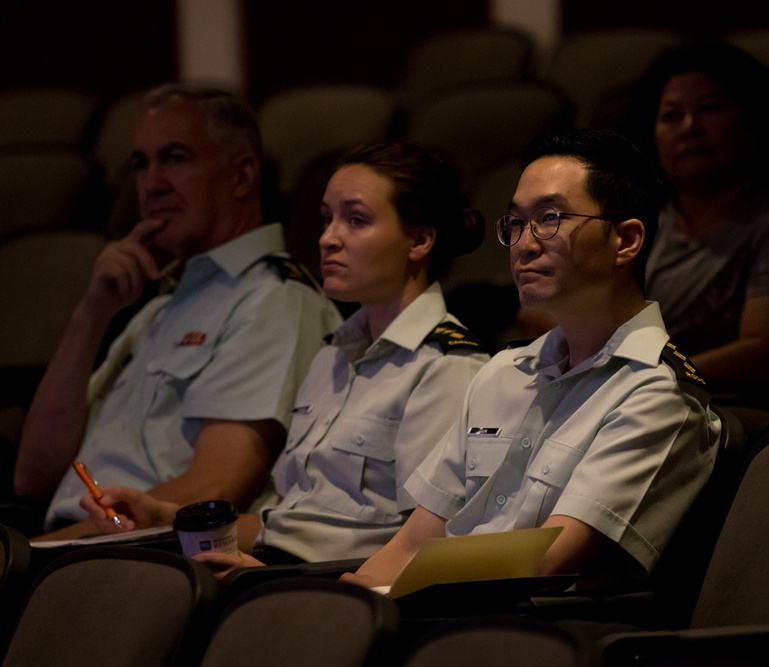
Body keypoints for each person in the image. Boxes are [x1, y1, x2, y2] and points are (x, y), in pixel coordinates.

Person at [342, 129, 721, 590]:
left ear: (626, 240)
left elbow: (546, 561)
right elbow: (411, 543)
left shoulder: (658, 394)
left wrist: (400, 596)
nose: (524, 244)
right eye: (516, 223)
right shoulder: (502, 373)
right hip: (434, 613)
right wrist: (355, 605)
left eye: (549, 218)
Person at [82, 140, 490, 567]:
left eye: (356, 220)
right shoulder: (331, 357)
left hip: (343, 593)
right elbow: (287, 523)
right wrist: (162, 516)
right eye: (326, 219)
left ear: (420, 240)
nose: (329, 238)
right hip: (277, 572)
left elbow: (421, 548)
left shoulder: (445, 368)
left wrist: (271, 581)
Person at [14, 83, 342, 539]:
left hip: (142, 559)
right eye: (141, 164)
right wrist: (90, 316)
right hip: (78, 548)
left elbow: (211, 492)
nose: (152, 184)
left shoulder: (274, 301)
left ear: (243, 176)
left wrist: (34, 553)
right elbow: (33, 478)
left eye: (176, 158)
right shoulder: (158, 310)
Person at [624, 42, 769, 415]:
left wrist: (637, 372)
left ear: (753, 127)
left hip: (729, 417)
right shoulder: (639, 228)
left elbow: (763, 356)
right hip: (637, 400)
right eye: (671, 116)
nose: (690, 128)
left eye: (710, 109)